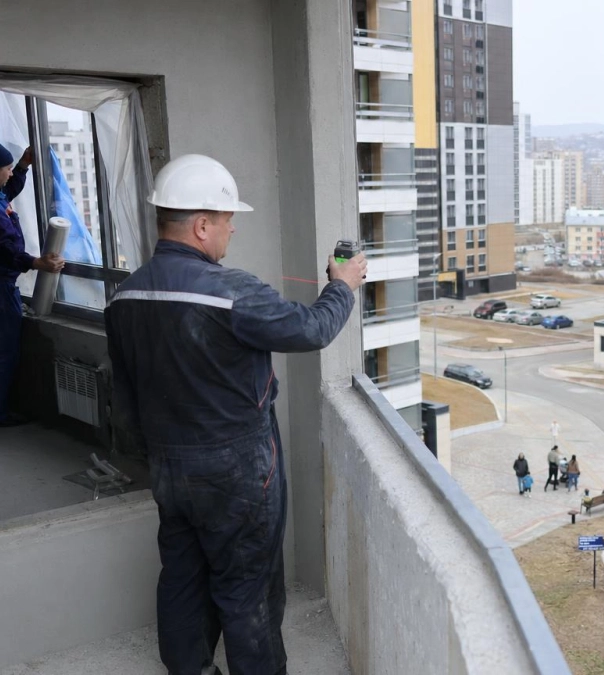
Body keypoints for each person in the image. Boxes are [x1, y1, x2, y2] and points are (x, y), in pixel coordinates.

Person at [105, 154, 367, 675]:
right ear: (201, 225)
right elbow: (312, 330)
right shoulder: (230, 290)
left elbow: (126, 392)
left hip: (168, 466)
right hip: (237, 471)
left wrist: (152, 455)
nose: (230, 231)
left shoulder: (124, 294)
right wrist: (343, 286)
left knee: (181, 573)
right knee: (247, 588)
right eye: (227, 222)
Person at [0, 139, 65, 428]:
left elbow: (5, 192)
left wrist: (22, 166)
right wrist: (35, 263)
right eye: (6, 168)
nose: (8, 173)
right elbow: (2, 246)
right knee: (2, 349)